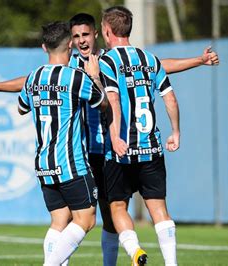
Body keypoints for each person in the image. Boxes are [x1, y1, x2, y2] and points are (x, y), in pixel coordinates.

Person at [0, 12, 219, 266]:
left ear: (97, 34)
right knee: (75, 218)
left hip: (110, 150)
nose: (81, 41)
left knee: (109, 217)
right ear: (71, 41)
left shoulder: (107, 60)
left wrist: (198, 60)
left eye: (85, 34)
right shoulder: (71, 69)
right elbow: (32, 82)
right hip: (90, 153)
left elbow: (160, 65)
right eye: (76, 36)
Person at [17, 21, 108, 265]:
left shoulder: (33, 78)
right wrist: (96, 78)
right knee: (86, 220)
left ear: (44, 47)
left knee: (60, 221)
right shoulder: (75, 78)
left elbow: (21, 108)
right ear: (70, 44)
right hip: (71, 164)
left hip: (44, 164)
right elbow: (104, 104)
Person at [99, 6, 180, 266]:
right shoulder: (150, 59)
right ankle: (172, 263)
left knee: (117, 207)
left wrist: (115, 136)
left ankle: (135, 252)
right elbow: (170, 98)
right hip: (151, 148)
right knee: (159, 209)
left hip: (121, 151)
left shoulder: (108, 61)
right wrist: (176, 131)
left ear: (108, 31)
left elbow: (113, 100)